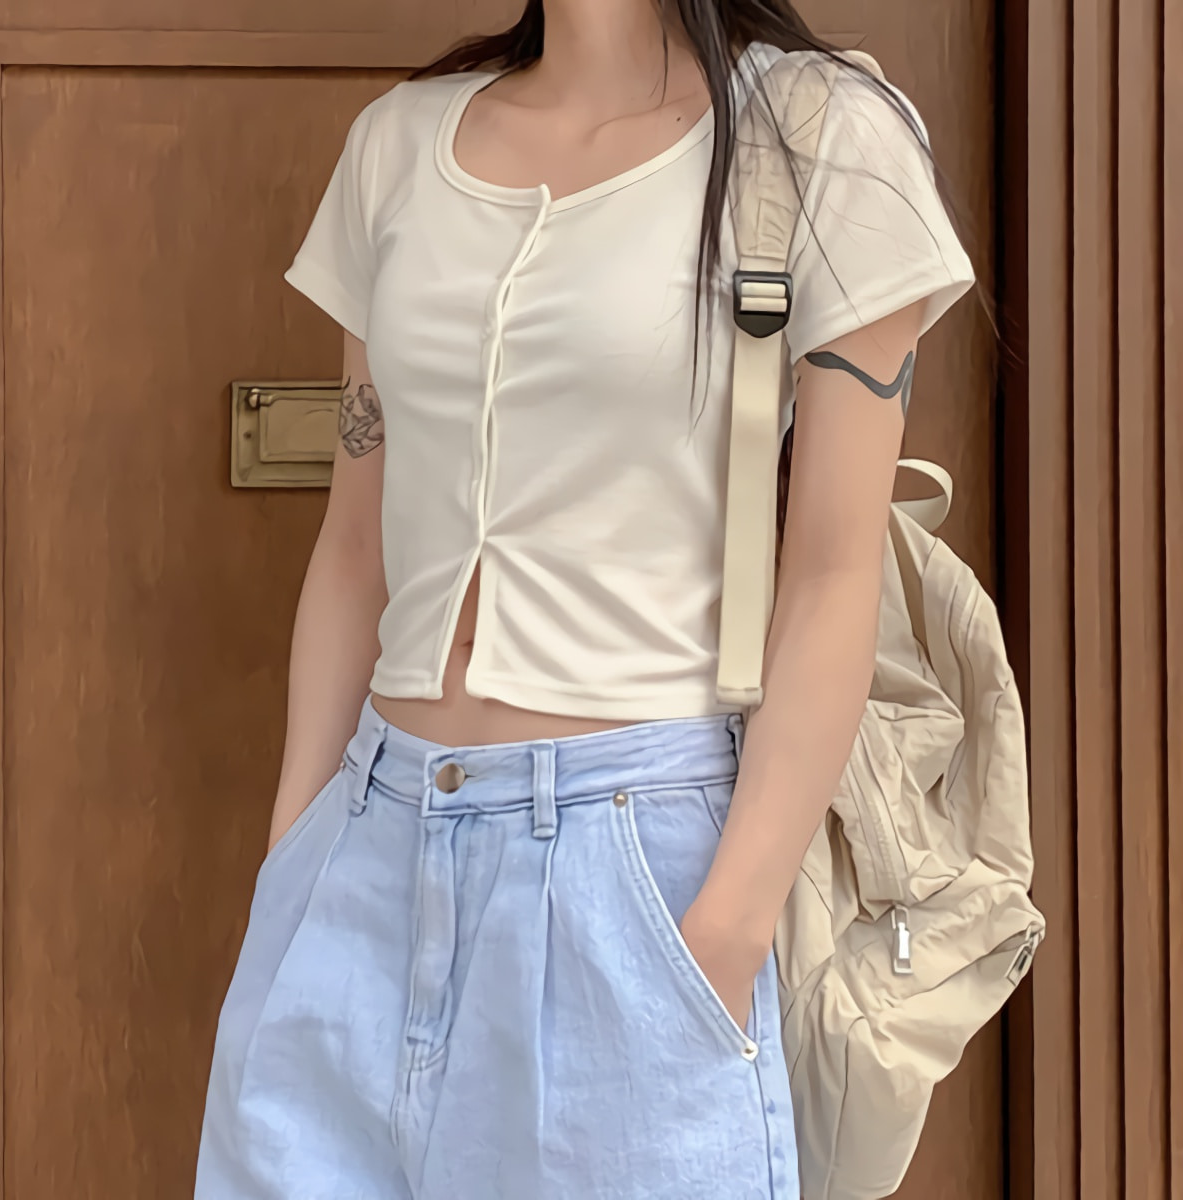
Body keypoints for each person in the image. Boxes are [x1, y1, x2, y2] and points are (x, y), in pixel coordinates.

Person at [194, 1, 975, 1196]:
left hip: (641, 869)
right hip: (363, 854)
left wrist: (721, 937)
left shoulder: (820, 136)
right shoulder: (399, 142)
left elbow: (834, 571)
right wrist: (293, 855)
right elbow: (355, 544)